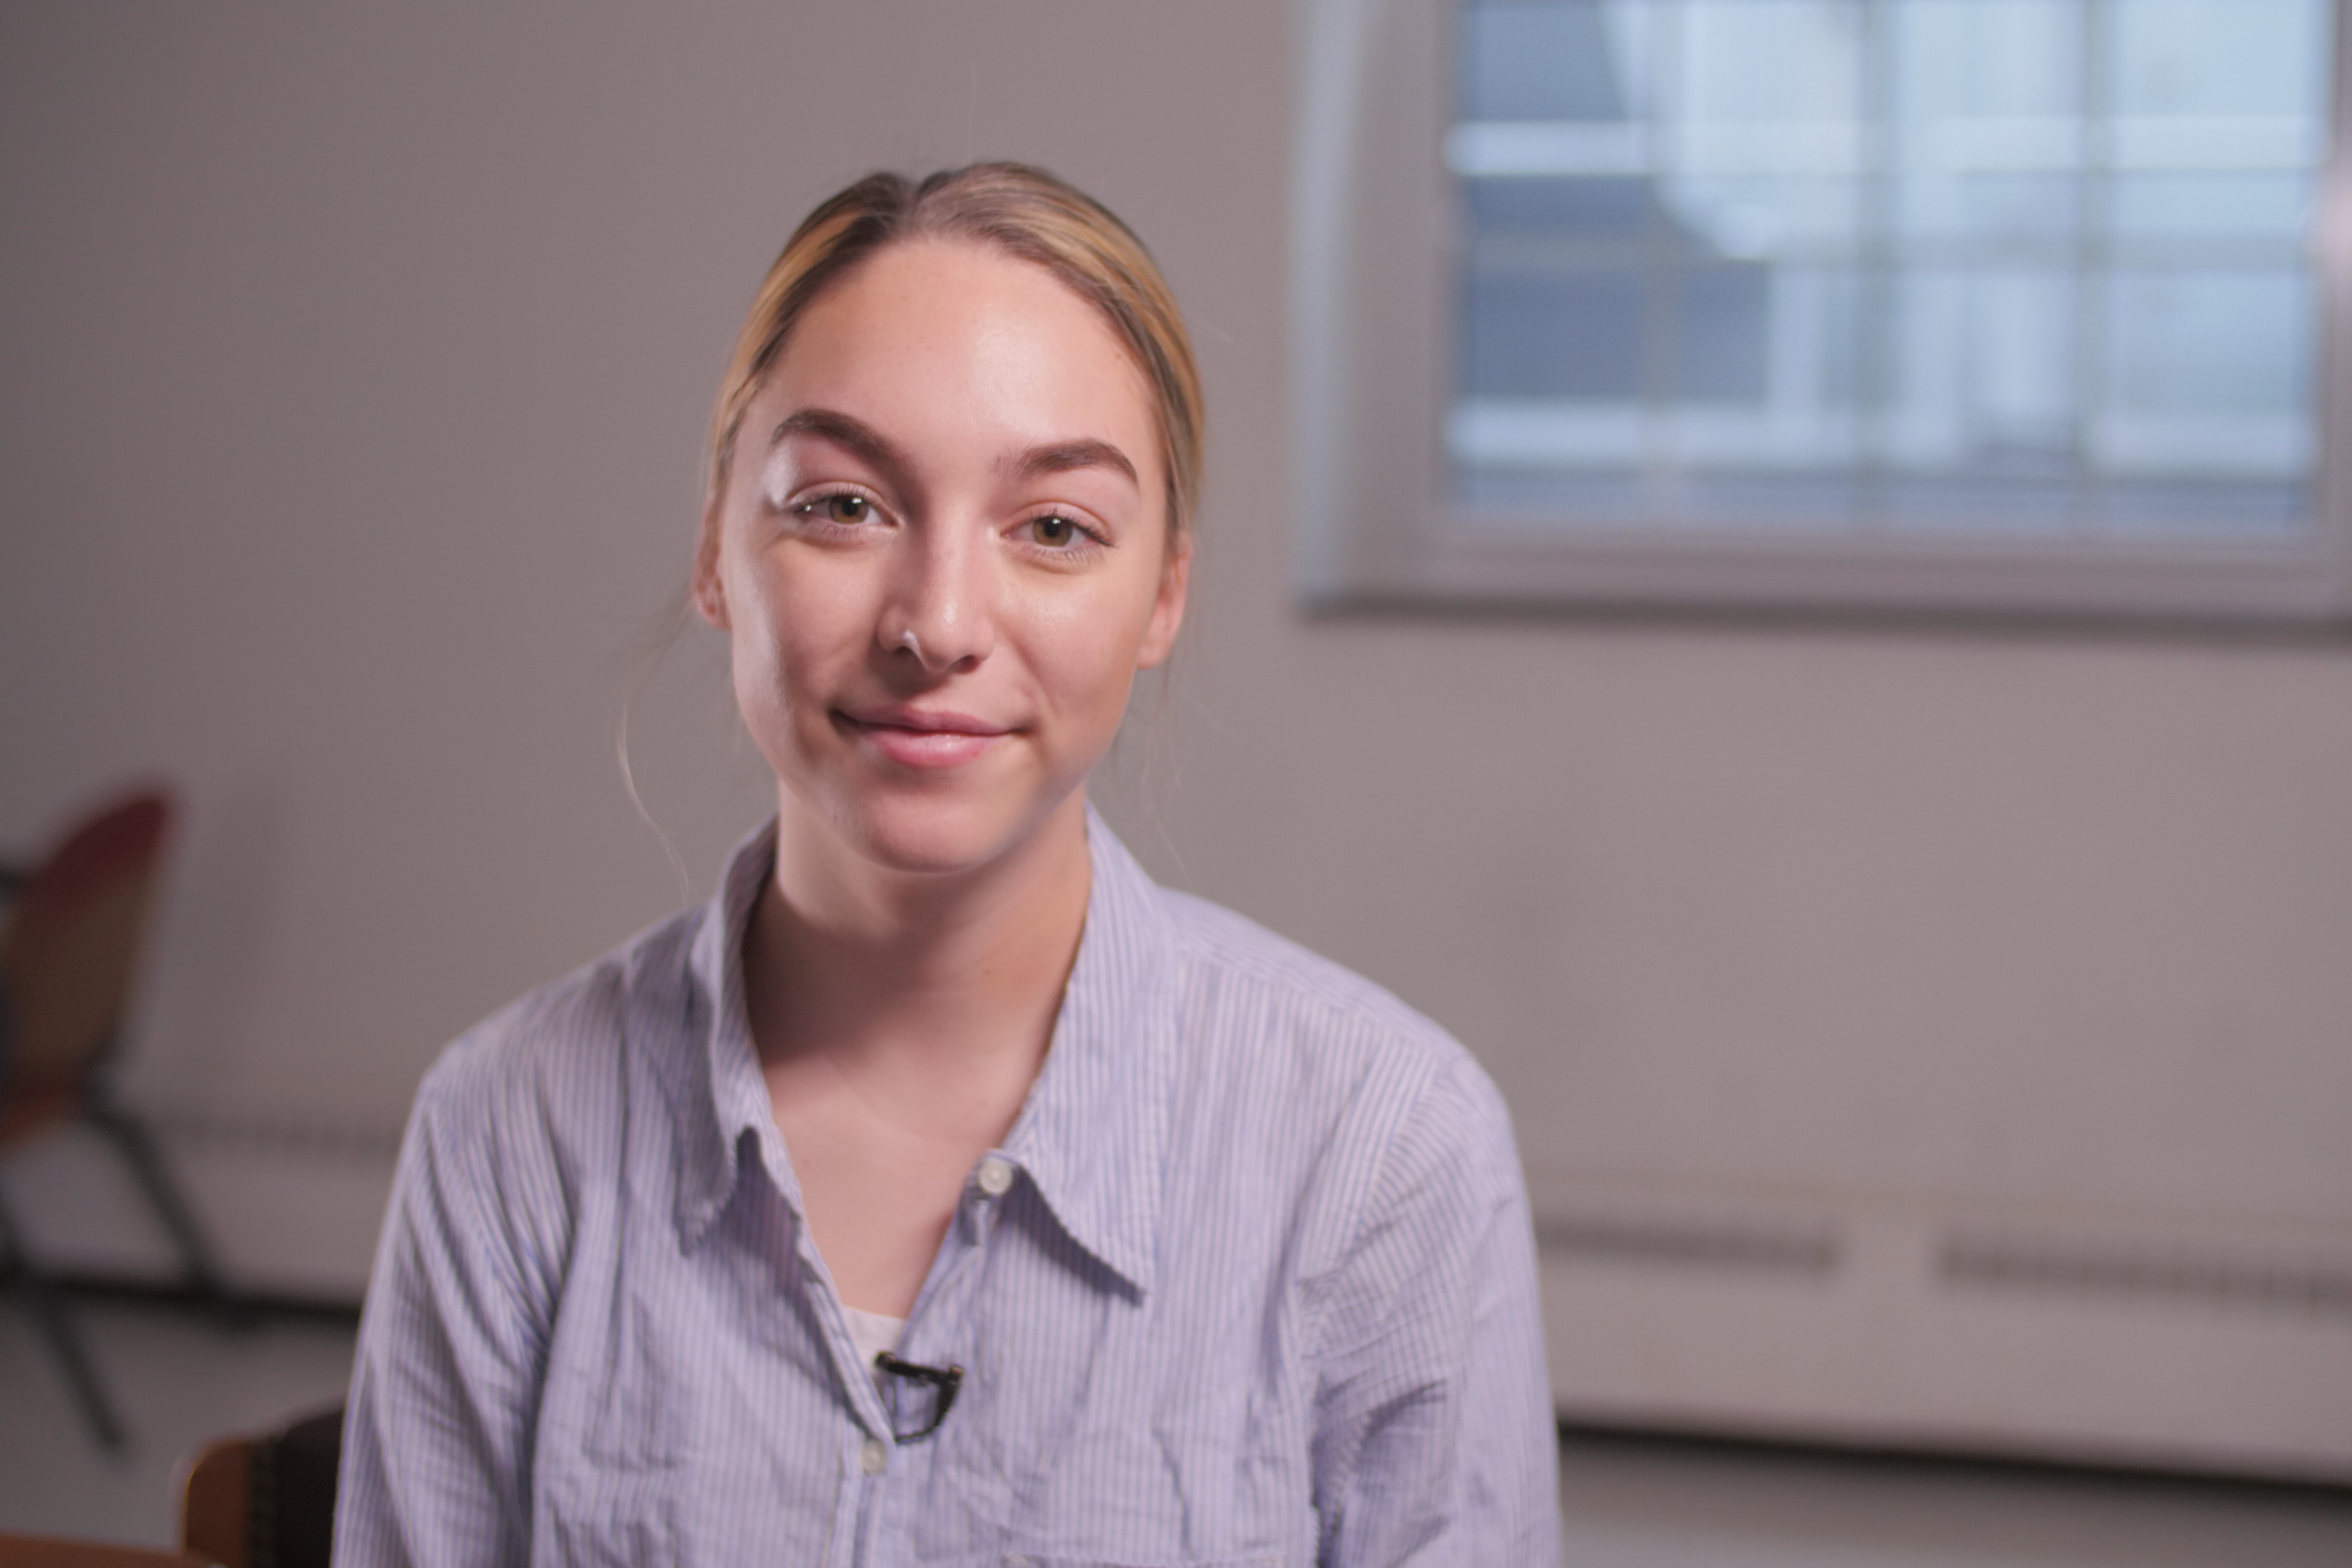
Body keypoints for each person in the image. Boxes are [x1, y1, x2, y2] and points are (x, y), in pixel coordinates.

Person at [335, 162, 1561, 1566]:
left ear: (1162, 596)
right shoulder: (511, 1126)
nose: (938, 624)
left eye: (1055, 530)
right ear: (717, 552)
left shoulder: (1387, 1152)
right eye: (843, 506)